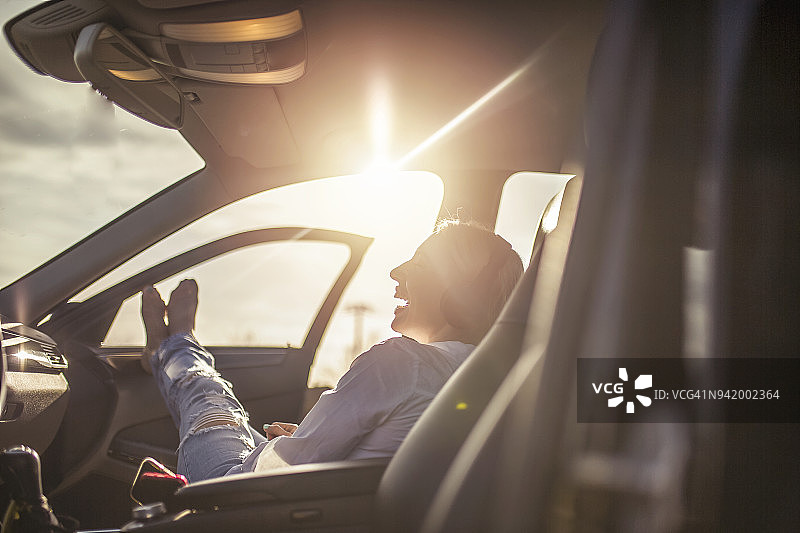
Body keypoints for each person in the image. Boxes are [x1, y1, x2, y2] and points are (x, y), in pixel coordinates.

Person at [140, 220, 523, 482]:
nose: (397, 272)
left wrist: (291, 447)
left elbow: (275, 471)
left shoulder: (400, 364)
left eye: (420, 265)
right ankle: (171, 348)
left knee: (210, 400)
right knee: (239, 422)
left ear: (463, 295)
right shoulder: (495, 379)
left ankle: (174, 346)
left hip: (237, 497)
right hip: (324, 498)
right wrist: (309, 440)